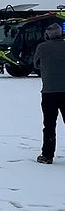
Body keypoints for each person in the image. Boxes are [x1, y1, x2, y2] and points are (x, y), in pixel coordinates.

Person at [33, 23, 65, 164]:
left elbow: (36, 64)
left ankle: (47, 155)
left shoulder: (42, 47)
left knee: (49, 125)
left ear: (47, 35)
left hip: (49, 92)